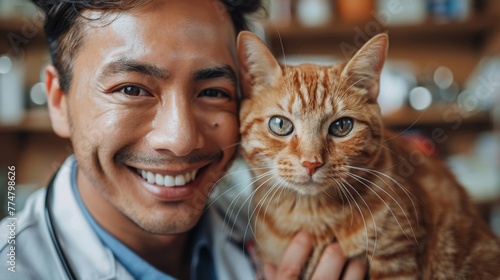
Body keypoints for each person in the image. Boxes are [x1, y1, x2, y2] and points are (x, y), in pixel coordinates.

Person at [0, 0, 367, 279]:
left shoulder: (265, 214)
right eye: (131, 89)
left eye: (212, 92)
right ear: (57, 101)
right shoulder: (11, 264)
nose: (180, 139)